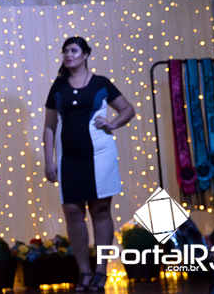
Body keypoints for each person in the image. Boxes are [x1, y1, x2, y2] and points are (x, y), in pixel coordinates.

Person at [42, 36, 135, 292]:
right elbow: (49, 126)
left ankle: (100, 271)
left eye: (73, 50)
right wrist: (49, 159)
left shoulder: (100, 83)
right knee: (73, 212)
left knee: (101, 211)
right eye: (65, 51)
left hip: (100, 156)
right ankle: (84, 271)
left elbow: (128, 109)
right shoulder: (58, 87)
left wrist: (112, 124)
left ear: (85, 55)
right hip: (69, 158)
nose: (68, 55)